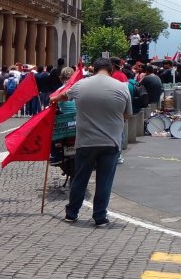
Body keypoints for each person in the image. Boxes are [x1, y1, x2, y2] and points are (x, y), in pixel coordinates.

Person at [50, 58, 130, 227]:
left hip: (85, 141)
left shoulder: (81, 85)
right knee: (104, 181)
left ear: (94, 69)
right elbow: (127, 114)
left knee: (80, 178)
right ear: (111, 70)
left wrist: (53, 100)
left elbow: (64, 96)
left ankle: (72, 213)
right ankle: (100, 217)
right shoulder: (122, 87)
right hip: (110, 142)